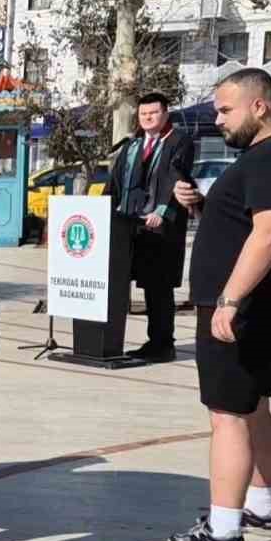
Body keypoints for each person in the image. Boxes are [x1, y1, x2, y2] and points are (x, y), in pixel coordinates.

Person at [169, 68, 271, 541]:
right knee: (254, 407)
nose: (218, 120)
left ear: (260, 106)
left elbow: (270, 232)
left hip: (243, 311)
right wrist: (206, 208)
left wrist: (230, 300)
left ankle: (223, 530)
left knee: (228, 416)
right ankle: (259, 507)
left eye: (226, 110)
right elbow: (250, 223)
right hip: (260, 308)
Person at [108, 93, 194, 363]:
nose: (147, 118)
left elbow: (177, 176)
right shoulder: (132, 145)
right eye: (143, 114)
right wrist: (103, 210)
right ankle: (117, 340)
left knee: (159, 287)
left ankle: (162, 344)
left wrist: (163, 210)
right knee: (128, 282)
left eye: (153, 113)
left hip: (160, 227)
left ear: (165, 113)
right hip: (130, 225)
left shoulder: (179, 141)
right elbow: (116, 182)